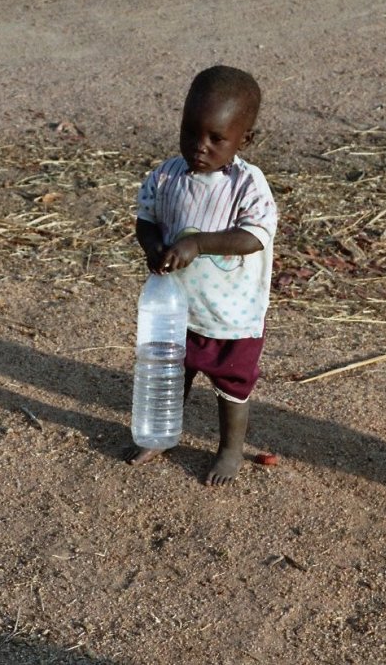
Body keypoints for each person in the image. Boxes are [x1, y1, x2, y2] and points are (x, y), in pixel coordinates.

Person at [126, 65, 277, 486]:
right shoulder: (166, 175)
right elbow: (146, 219)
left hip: (231, 316)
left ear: (244, 139)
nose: (199, 146)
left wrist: (197, 244)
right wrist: (154, 247)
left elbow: (254, 237)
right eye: (190, 132)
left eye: (216, 138)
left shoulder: (247, 184)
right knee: (170, 376)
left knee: (232, 386)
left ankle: (229, 449)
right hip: (175, 309)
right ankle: (161, 434)